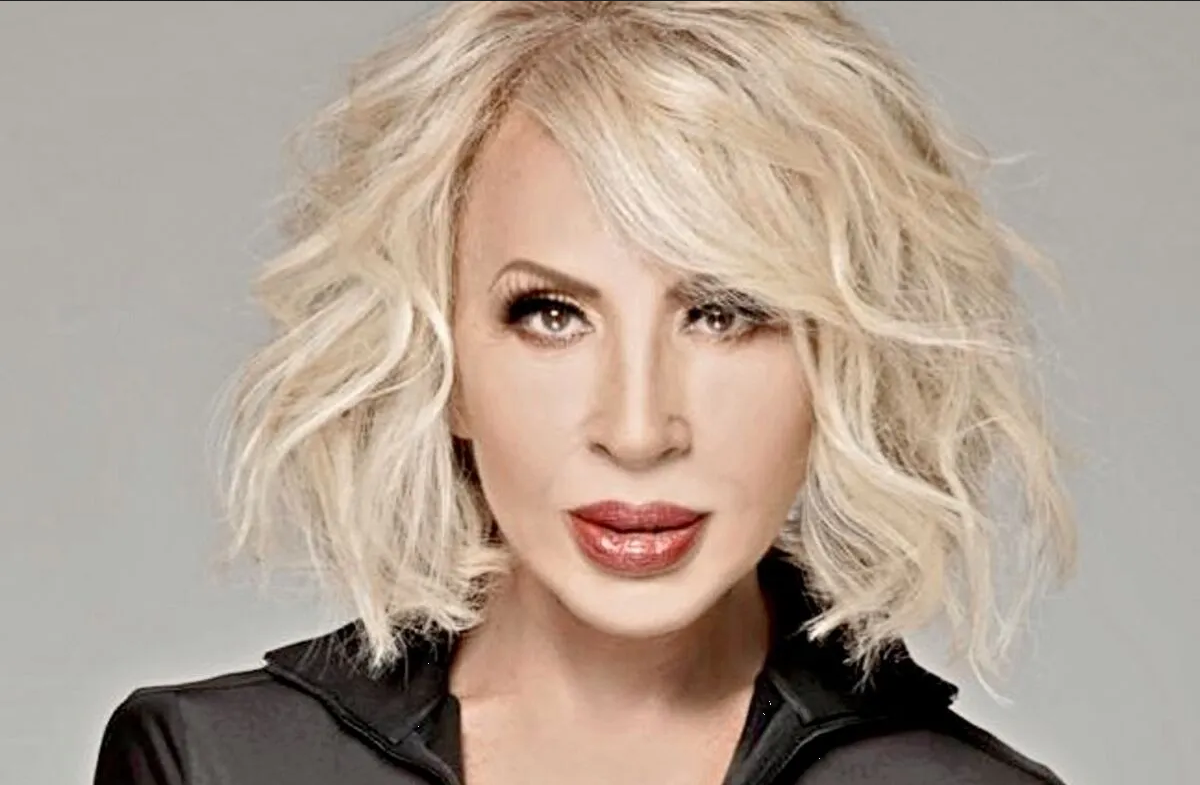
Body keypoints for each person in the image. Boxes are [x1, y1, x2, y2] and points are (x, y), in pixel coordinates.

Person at [93, 2, 1078, 783]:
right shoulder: (216, 763)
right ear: (446, 368)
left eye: (724, 312)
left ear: (838, 363)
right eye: (551, 314)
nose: (638, 429)